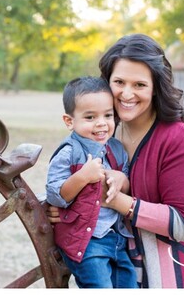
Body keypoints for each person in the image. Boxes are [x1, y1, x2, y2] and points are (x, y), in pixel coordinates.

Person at [47, 34, 184, 288]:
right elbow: (68, 180)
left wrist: (115, 199)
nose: (127, 93)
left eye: (140, 85)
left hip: (164, 276)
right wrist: (63, 207)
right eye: (119, 82)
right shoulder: (106, 131)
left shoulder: (179, 137)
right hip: (113, 268)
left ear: (156, 87)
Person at [45, 76, 136, 288]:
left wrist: (120, 180)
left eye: (107, 115)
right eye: (90, 117)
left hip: (116, 237)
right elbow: (54, 194)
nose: (101, 123)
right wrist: (83, 176)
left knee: (129, 285)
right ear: (69, 121)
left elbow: (126, 182)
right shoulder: (69, 153)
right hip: (87, 242)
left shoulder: (116, 149)